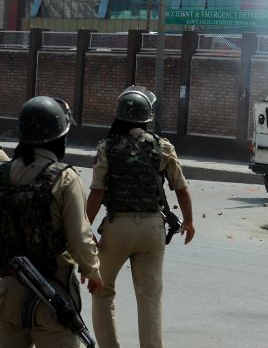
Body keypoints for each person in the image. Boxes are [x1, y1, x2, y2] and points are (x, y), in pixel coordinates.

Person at [86, 86, 195, 348]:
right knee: (149, 298)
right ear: (147, 118)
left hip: (116, 228)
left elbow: (97, 194)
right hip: (152, 229)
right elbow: (181, 189)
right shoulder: (162, 146)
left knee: (103, 291)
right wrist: (189, 222)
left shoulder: (106, 147)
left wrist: (83, 229)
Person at [0, 96, 103, 347]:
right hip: (52, 296)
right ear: (60, 137)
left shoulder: (3, 174)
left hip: (7, 295)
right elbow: (80, 237)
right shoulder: (65, 178)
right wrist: (92, 271)